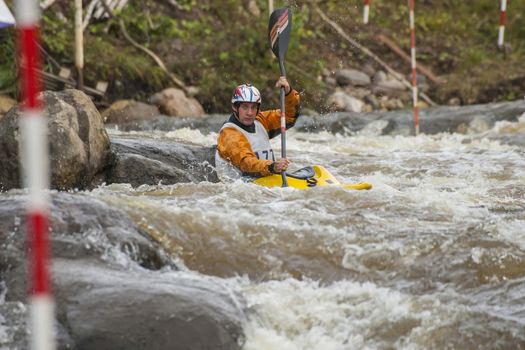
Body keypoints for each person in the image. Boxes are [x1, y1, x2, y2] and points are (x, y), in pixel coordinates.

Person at [215, 76, 301, 181]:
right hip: (242, 190)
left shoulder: (261, 121)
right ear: (235, 107)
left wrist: (288, 93)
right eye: (245, 107)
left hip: (266, 180)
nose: (250, 113)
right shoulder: (229, 134)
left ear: (258, 108)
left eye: (253, 107)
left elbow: (288, 116)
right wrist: (272, 166)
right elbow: (246, 162)